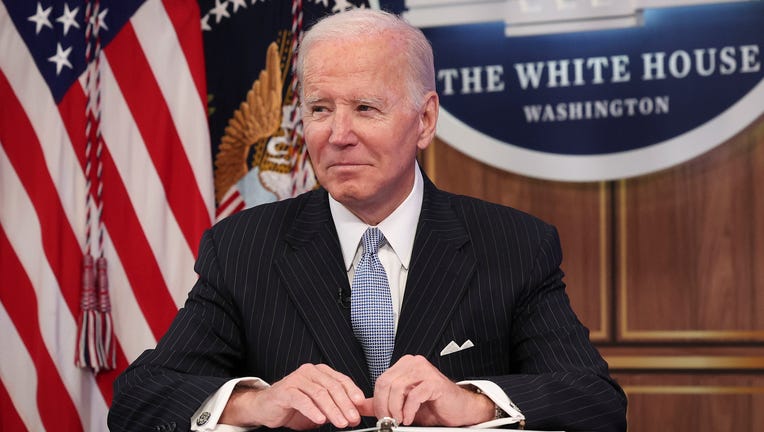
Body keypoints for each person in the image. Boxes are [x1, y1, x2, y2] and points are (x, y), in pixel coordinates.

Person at [108, 9, 627, 432]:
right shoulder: (242, 246)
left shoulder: (514, 244)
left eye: (364, 108)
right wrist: (253, 403)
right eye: (318, 109)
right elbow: (138, 399)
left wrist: (474, 403)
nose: (337, 135)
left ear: (424, 120)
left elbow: (596, 402)